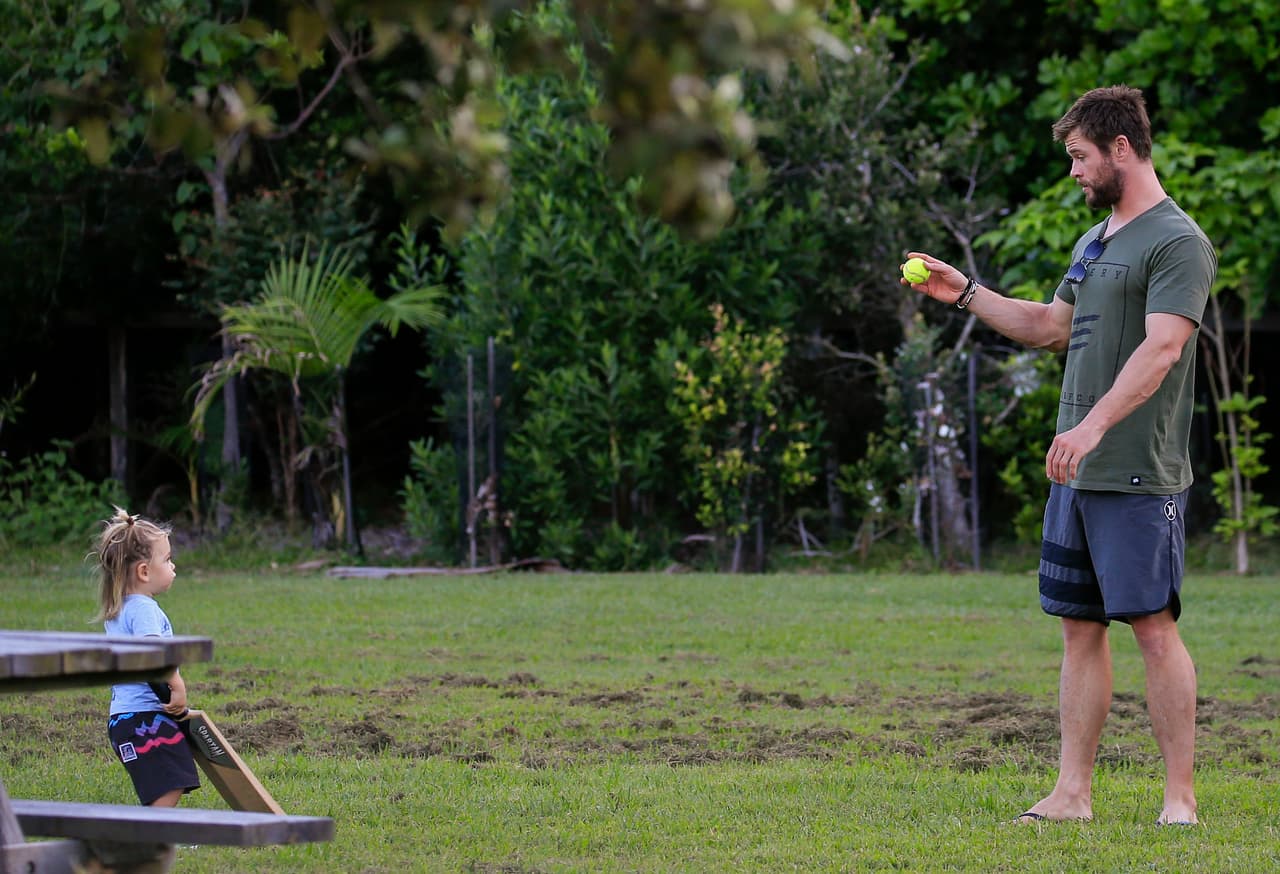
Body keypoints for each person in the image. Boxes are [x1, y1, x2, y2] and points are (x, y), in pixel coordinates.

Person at [901, 85, 1216, 826]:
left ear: (1120, 149)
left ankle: (1181, 799)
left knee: (1151, 625)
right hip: (1076, 466)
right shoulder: (1096, 238)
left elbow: (1163, 347)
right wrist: (965, 292)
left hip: (1135, 467)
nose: (1073, 171)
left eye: (1079, 157)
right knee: (1079, 626)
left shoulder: (1178, 242)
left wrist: (1093, 426)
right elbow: (1049, 326)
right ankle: (1073, 793)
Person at [92, 506, 201, 807]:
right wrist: (177, 683)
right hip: (145, 719)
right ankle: (155, 837)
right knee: (170, 781)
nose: (173, 566)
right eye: (167, 560)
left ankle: (157, 833)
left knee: (166, 781)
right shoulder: (143, 609)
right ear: (143, 571)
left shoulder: (120, 610)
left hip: (123, 719)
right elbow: (153, 653)